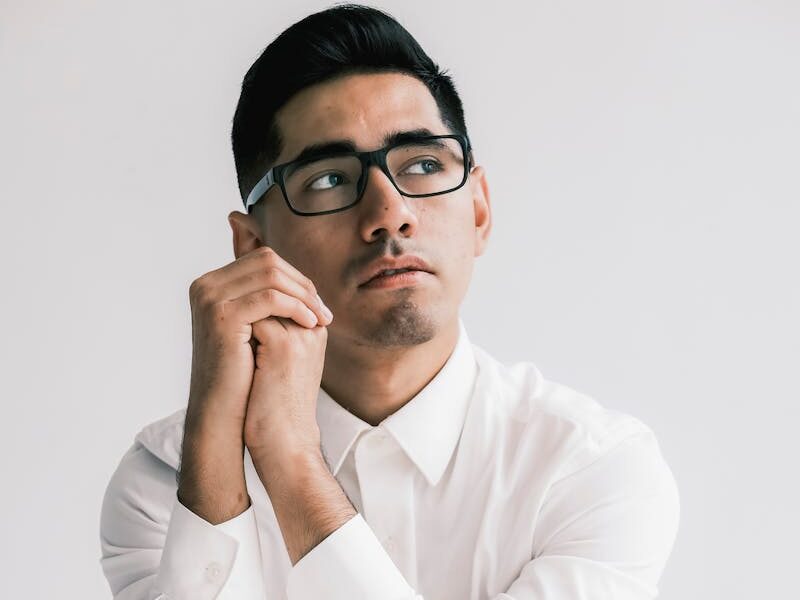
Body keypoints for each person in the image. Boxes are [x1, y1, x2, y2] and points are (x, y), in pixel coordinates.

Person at [99, 4, 680, 599]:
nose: (389, 214)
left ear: (479, 211)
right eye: (328, 178)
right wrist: (223, 472)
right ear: (253, 246)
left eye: (424, 165)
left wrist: (294, 464)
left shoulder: (590, 470)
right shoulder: (169, 480)